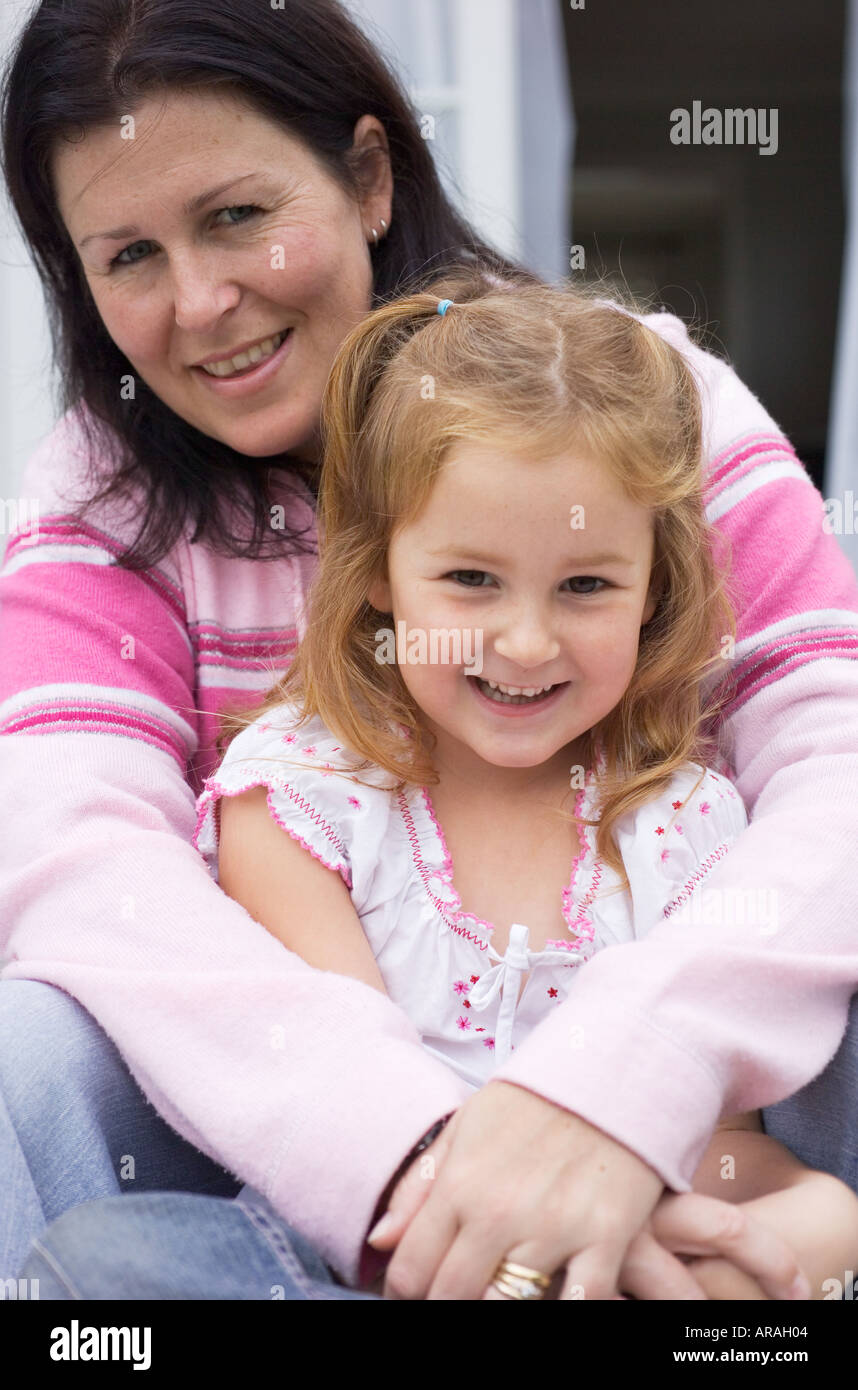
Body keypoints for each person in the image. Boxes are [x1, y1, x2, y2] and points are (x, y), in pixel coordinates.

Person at [1, 0, 857, 1302]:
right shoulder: (97, 515)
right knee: (31, 1045)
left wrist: (627, 1086)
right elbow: (82, 870)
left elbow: (834, 754)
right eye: (126, 254)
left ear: (368, 173)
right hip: (303, 1151)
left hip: (686, 1136)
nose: (200, 301)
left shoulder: (638, 409)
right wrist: (418, 1163)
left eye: (236, 216)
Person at [192, 274, 858, 1300]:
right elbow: (351, 1115)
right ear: (380, 571)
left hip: (617, 1262)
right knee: (124, 1254)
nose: (526, 641)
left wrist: (804, 1219)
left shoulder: (687, 824)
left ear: (651, 594)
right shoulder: (299, 803)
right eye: (470, 579)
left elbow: (727, 1151)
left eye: (586, 584)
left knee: (811, 1240)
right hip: (363, 1257)